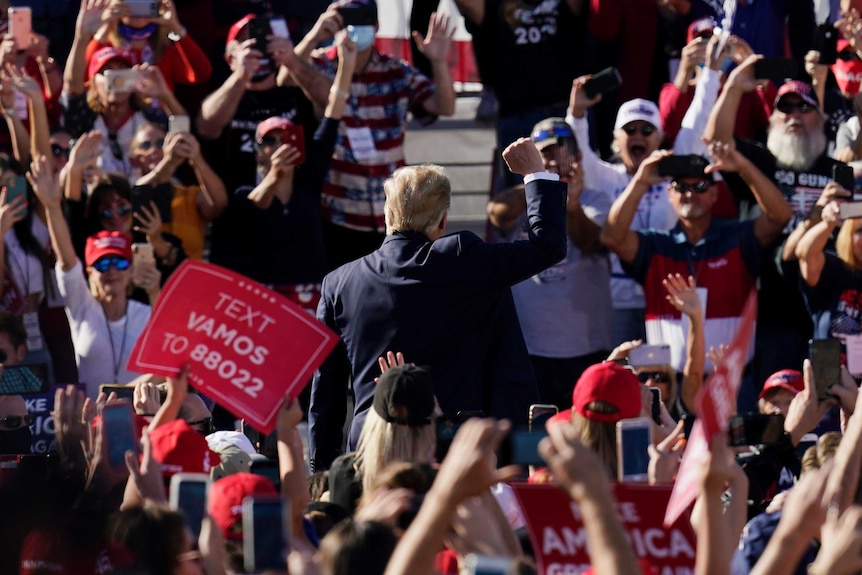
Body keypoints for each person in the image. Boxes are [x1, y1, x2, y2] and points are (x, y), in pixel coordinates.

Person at [309, 137, 567, 471]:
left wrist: (322, 474)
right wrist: (534, 172)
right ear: (443, 220)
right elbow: (547, 247)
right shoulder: (461, 259)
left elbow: (325, 397)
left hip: (370, 454)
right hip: (451, 452)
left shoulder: (338, 283)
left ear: (386, 215)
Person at [601, 148, 792, 410]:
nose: (690, 194)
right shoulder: (655, 244)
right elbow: (612, 236)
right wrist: (641, 181)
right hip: (667, 388)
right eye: (680, 186)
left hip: (734, 381)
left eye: (701, 186)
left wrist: (743, 167)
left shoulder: (737, 238)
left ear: (715, 194)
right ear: (670, 194)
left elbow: (780, 216)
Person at [706, 57, 849, 387]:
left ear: (820, 119)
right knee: (776, 395)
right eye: (786, 108)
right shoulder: (761, 161)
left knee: (833, 394)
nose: (795, 115)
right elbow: (716, 142)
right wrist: (732, 88)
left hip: (828, 301)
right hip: (771, 300)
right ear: (772, 118)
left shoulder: (835, 168)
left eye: (804, 108)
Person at [285, 0, 457, 267]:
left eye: (362, 18)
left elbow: (444, 106)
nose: (354, 26)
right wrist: (315, 34)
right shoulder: (319, 63)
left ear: (376, 26)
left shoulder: (397, 71)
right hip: (337, 210)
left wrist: (438, 62)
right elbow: (284, 76)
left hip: (392, 211)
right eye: (346, 19)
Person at [210, 30, 356, 310]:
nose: (278, 145)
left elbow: (334, 111)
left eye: (286, 137)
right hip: (263, 296)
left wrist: (346, 65)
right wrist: (274, 177)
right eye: (270, 140)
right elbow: (255, 205)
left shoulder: (308, 178)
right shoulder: (244, 191)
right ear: (257, 150)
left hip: (311, 293)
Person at [487, 117, 612, 410]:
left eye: (563, 151)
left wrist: (571, 200)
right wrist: (539, 183)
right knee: (533, 438)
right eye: (546, 154)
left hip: (586, 347)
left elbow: (594, 242)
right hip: (530, 347)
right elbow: (497, 213)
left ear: (578, 157)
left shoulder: (598, 200)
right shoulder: (521, 202)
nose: (555, 160)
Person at [28, 155, 156, 397]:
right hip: (92, 420)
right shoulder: (82, 306)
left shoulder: (147, 312)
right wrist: (52, 206)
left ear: (130, 268)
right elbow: (66, 259)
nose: (111, 270)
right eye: (102, 263)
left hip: (143, 420)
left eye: (118, 261)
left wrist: (125, 395)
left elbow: (171, 367)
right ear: (89, 272)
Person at [567, 84, 678, 345]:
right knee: (620, 372)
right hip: (618, 302)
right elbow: (579, 153)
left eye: (647, 130)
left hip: (667, 298)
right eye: (629, 130)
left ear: (660, 138)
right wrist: (577, 112)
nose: (638, 135)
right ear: (616, 138)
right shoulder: (607, 177)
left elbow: (697, 127)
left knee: (663, 375)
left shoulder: (676, 180)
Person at [328, 364, 437, 514]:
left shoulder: (347, 472)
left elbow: (337, 534)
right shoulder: (443, 478)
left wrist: (391, 388)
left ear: (373, 421)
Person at [129, 121, 227, 261]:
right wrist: (168, 162)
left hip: (190, 279)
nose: (154, 150)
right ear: (134, 159)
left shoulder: (189, 196)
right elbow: (138, 193)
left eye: (160, 143)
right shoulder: (124, 196)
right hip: (149, 279)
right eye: (145, 145)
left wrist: (196, 157)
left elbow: (219, 203)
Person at [86, 0, 211, 93]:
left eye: (146, 2)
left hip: (157, 122)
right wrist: (108, 23)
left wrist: (175, 27)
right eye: (132, 2)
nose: (139, 7)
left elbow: (201, 74)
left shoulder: (164, 48)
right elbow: (81, 79)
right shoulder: (105, 45)